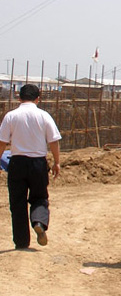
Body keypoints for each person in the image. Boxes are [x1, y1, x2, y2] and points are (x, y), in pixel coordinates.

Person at [0, 84, 61, 249]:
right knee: (39, 197)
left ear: (19, 98)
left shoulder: (11, 116)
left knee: (17, 202)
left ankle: (21, 242)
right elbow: (53, 141)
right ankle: (39, 222)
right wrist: (56, 162)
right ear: (38, 99)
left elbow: (2, 142)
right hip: (38, 163)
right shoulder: (44, 116)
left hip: (17, 162)